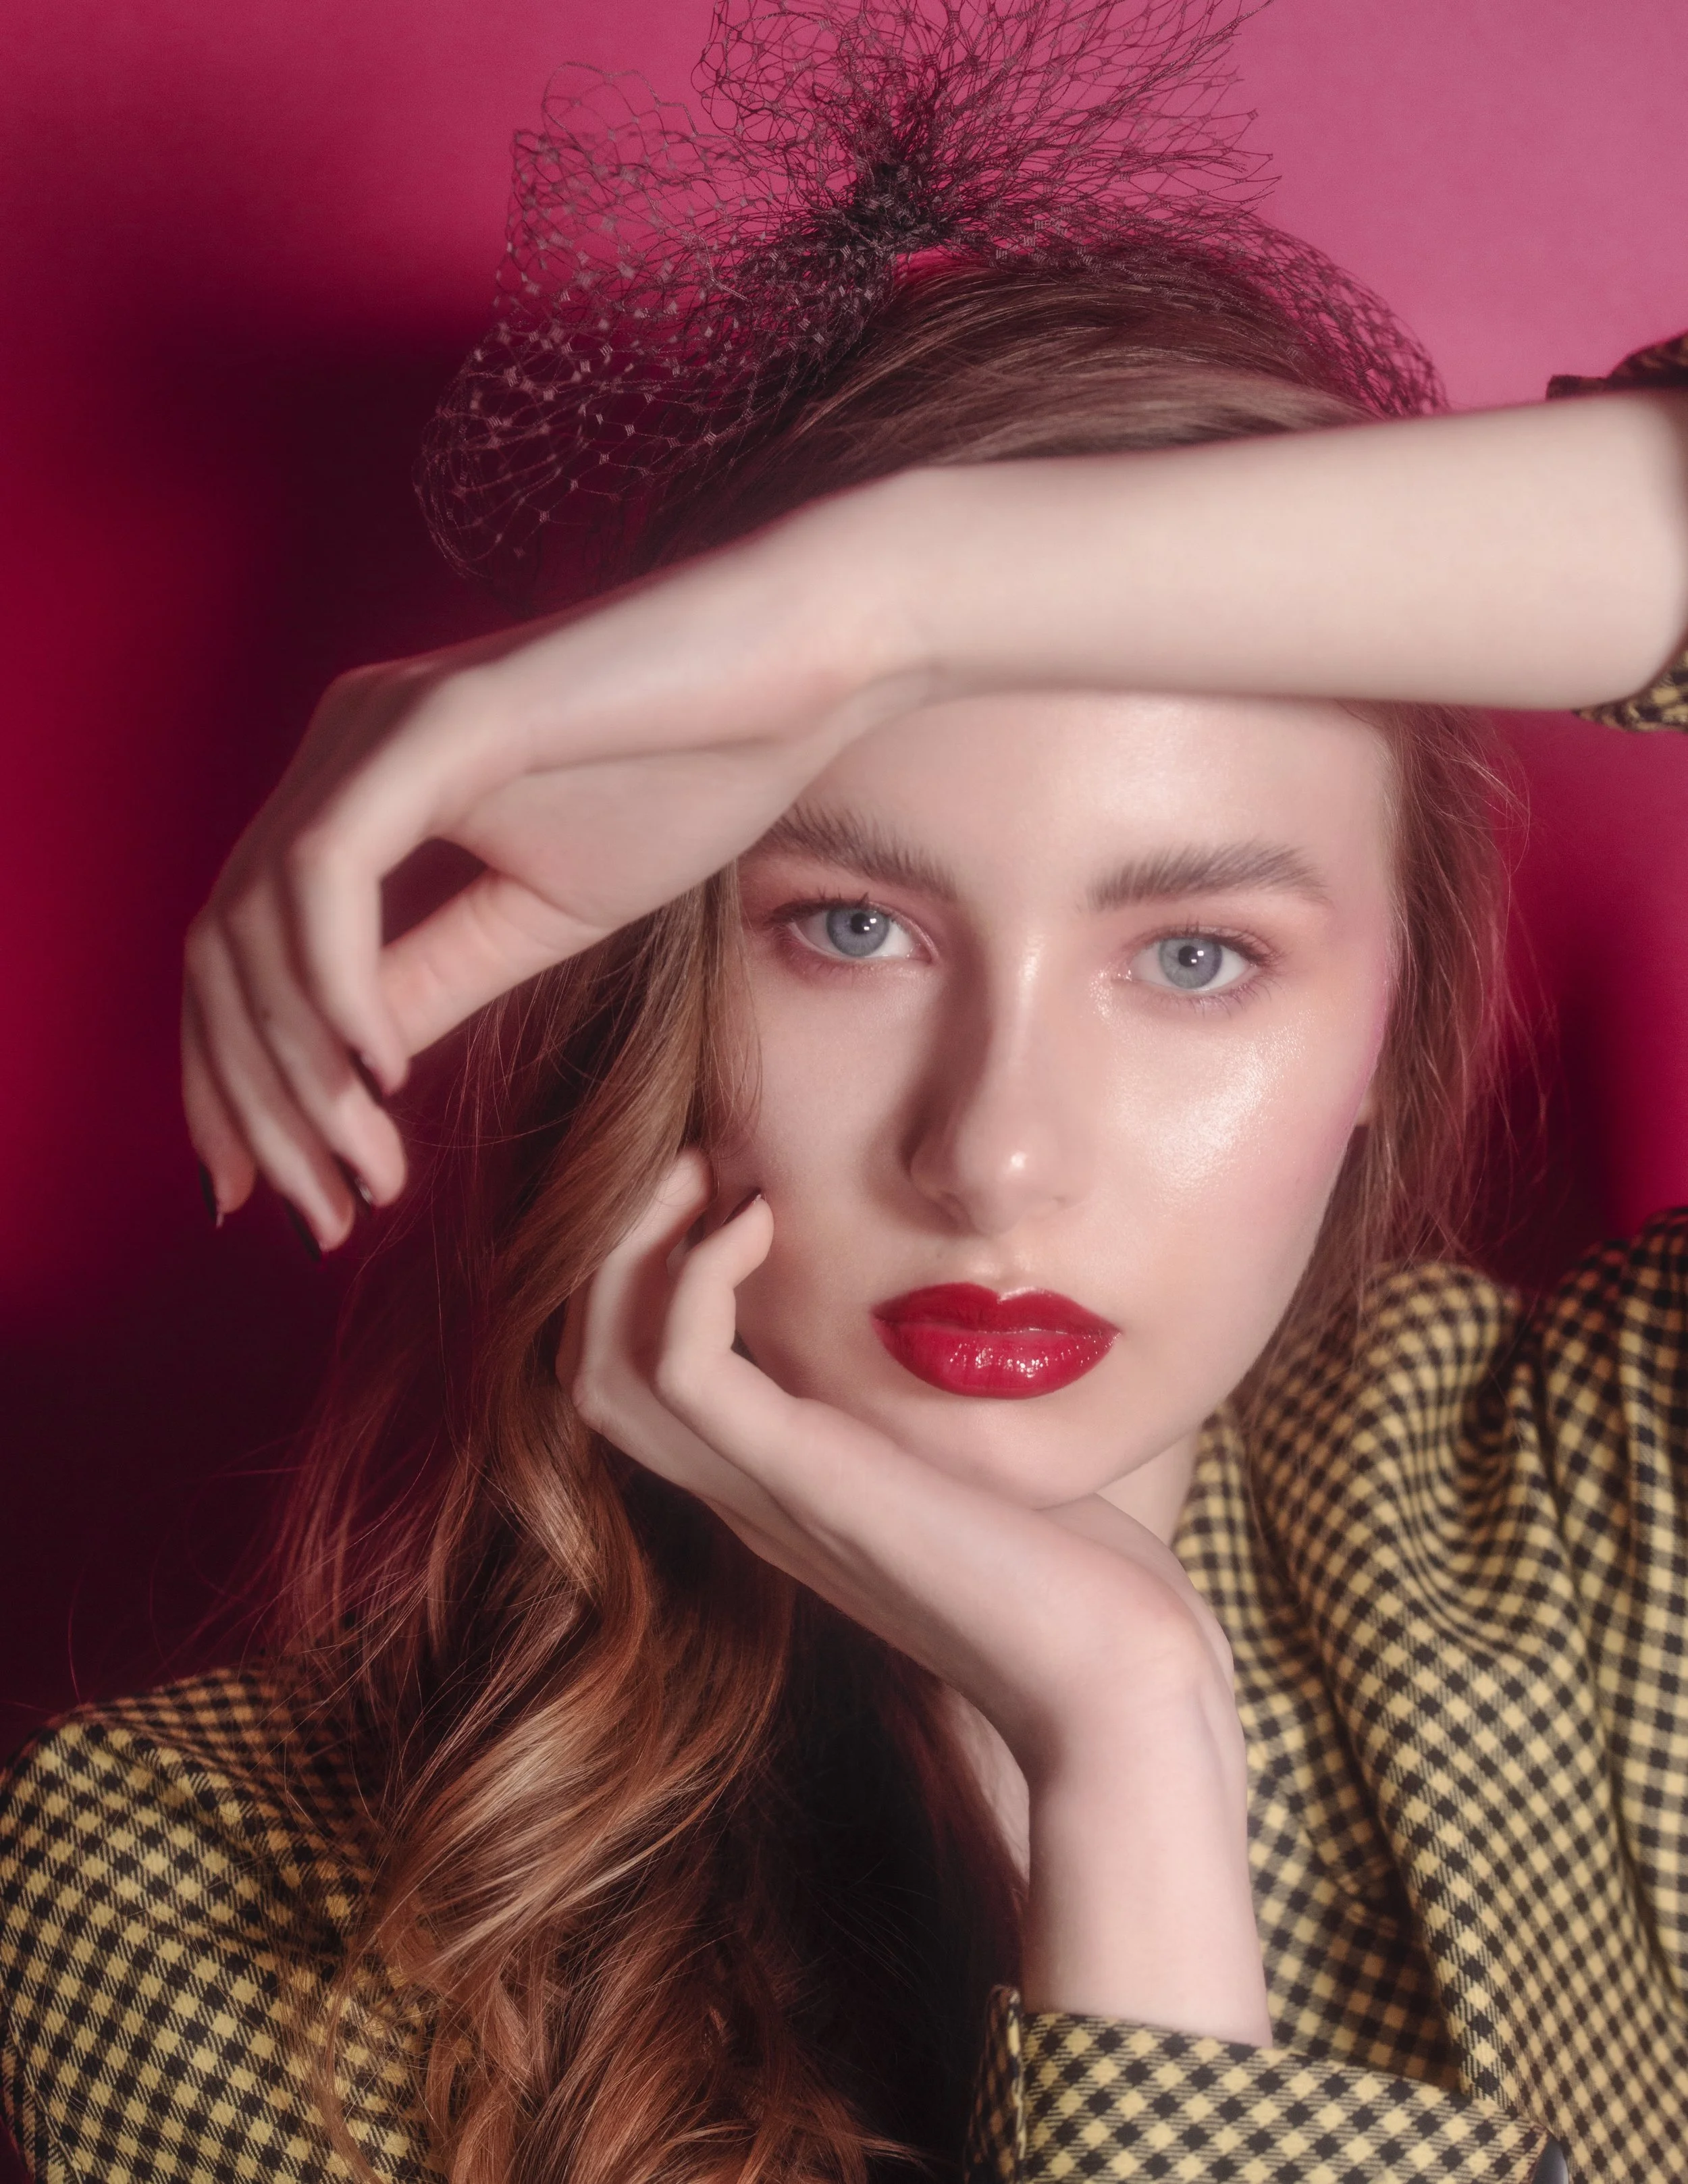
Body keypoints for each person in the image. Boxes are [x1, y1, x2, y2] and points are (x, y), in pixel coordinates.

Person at [3, 3, 1688, 2181]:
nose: (990, 1154)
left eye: (1194, 959)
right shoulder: (201, 1892)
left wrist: (892, 604)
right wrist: (1117, 1757)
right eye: (851, 930)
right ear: (654, 971)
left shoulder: (1600, 1533)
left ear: (1383, 1028)